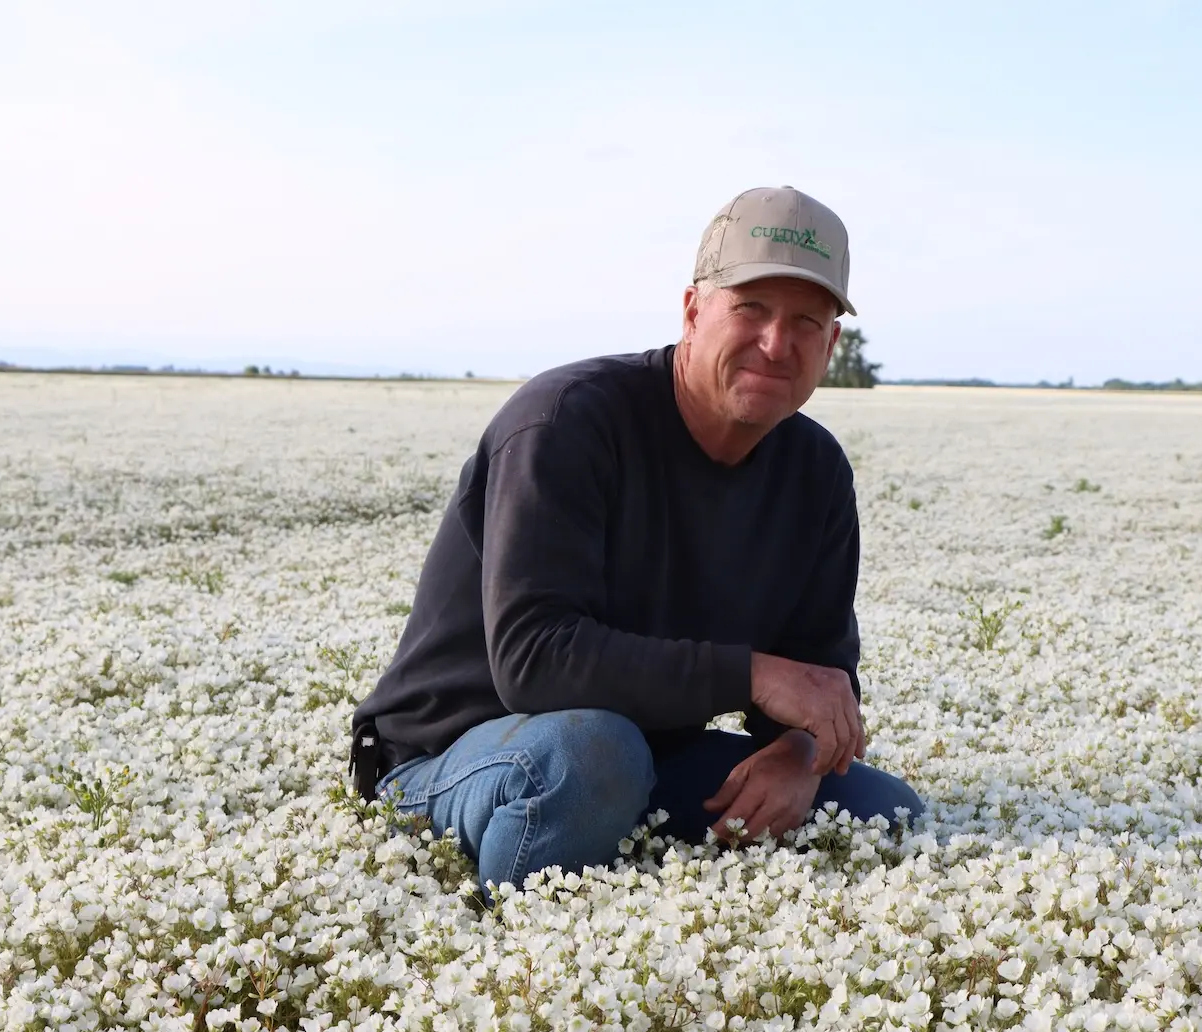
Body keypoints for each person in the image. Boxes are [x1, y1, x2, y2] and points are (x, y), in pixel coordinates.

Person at [349, 185, 923, 897]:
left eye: (807, 322)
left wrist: (798, 753)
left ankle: (646, 919)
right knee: (593, 754)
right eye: (751, 309)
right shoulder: (566, 424)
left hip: (643, 756)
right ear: (692, 311)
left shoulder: (817, 473)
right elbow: (532, 662)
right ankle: (522, 962)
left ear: (831, 345)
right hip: (457, 755)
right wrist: (754, 675)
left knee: (882, 810)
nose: (777, 344)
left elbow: (819, 679)